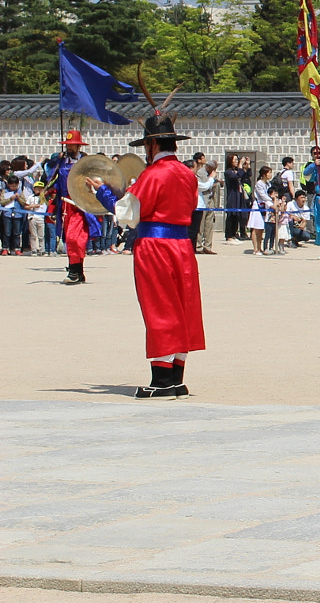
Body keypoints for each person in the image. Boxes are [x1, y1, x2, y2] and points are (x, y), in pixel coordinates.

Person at [113, 108, 205, 399]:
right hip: (182, 246)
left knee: (160, 306)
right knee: (182, 305)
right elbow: (191, 207)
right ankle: (177, 376)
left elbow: (127, 215)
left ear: (152, 145)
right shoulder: (187, 174)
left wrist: (105, 193)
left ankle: (162, 380)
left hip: (155, 246)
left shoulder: (152, 174)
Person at [52, 129, 102, 284]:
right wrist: (55, 161)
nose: (69, 148)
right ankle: (77, 271)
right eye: (67, 145)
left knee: (77, 238)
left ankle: (74, 271)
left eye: (72, 145)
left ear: (78, 146)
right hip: (67, 205)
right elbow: (49, 175)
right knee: (71, 238)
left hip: (82, 204)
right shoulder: (61, 161)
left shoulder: (85, 162)